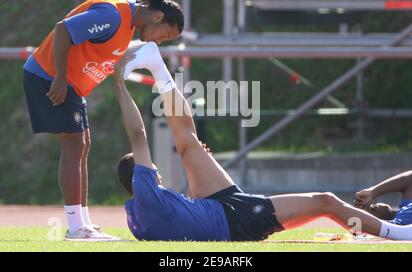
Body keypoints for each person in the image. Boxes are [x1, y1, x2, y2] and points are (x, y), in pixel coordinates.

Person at [113, 43, 412, 242]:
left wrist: (198, 185)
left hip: (213, 205)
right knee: (326, 201)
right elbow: (138, 134)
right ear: (143, 178)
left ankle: (157, 66)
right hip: (236, 220)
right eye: (151, 169)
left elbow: (184, 221)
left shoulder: (136, 217)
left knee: (188, 144)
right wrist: (118, 83)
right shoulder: (149, 193)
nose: (155, 170)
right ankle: (397, 233)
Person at [22, 0, 184, 240]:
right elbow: (63, 29)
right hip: (48, 76)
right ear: (157, 17)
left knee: (82, 144)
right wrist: (60, 79)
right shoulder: (114, 15)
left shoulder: (129, 19)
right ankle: (76, 227)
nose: (159, 41)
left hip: (69, 83)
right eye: (164, 35)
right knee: (74, 145)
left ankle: (83, 223)